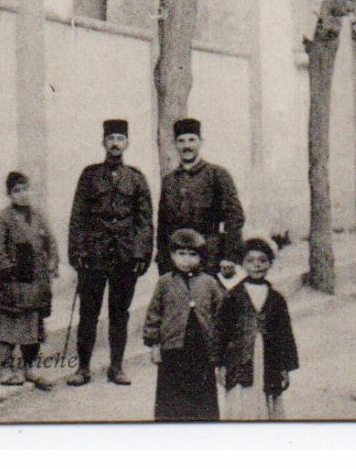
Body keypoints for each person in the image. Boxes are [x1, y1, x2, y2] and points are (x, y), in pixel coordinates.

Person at [65, 118, 154, 386]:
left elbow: (144, 220)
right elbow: (78, 216)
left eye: (120, 139)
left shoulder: (136, 178)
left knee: (119, 313)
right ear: (103, 142)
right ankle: (83, 368)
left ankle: (116, 367)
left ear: (127, 144)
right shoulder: (89, 175)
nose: (115, 143)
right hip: (94, 256)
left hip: (124, 257)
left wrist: (141, 254)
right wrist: (77, 251)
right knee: (88, 313)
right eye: (111, 138)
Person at [142, 228, 226, 421]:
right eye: (181, 254)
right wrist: (154, 345)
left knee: (203, 394)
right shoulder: (164, 282)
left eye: (192, 255)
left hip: (201, 347)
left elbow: (221, 315)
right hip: (173, 347)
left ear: (200, 257)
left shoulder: (209, 282)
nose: (186, 260)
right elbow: (154, 314)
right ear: (172, 255)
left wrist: (219, 347)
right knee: (171, 395)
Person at [0, 171, 59, 390]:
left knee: (34, 325)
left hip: (38, 282)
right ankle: (7, 369)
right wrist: (8, 270)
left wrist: (53, 263)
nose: (23, 194)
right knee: (9, 325)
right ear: (9, 194)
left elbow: (51, 243)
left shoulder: (38, 216)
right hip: (14, 282)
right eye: (17, 191)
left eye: (26, 189)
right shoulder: (1, 219)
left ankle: (29, 367)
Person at [218, 237, 298, 421]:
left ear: (270, 263)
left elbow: (285, 334)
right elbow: (222, 331)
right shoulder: (233, 297)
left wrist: (285, 366)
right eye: (250, 261)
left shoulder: (276, 299)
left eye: (262, 260)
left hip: (269, 359)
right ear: (242, 263)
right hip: (240, 359)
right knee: (242, 401)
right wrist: (221, 364)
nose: (256, 265)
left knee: (267, 397)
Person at [158, 118, 244, 276]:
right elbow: (163, 224)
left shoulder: (217, 174)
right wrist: (163, 260)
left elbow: (235, 217)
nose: (187, 146)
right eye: (181, 141)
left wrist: (230, 256)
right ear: (175, 145)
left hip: (209, 255)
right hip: (178, 257)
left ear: (200, 142)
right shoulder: (169, 180)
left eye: (192, 140)